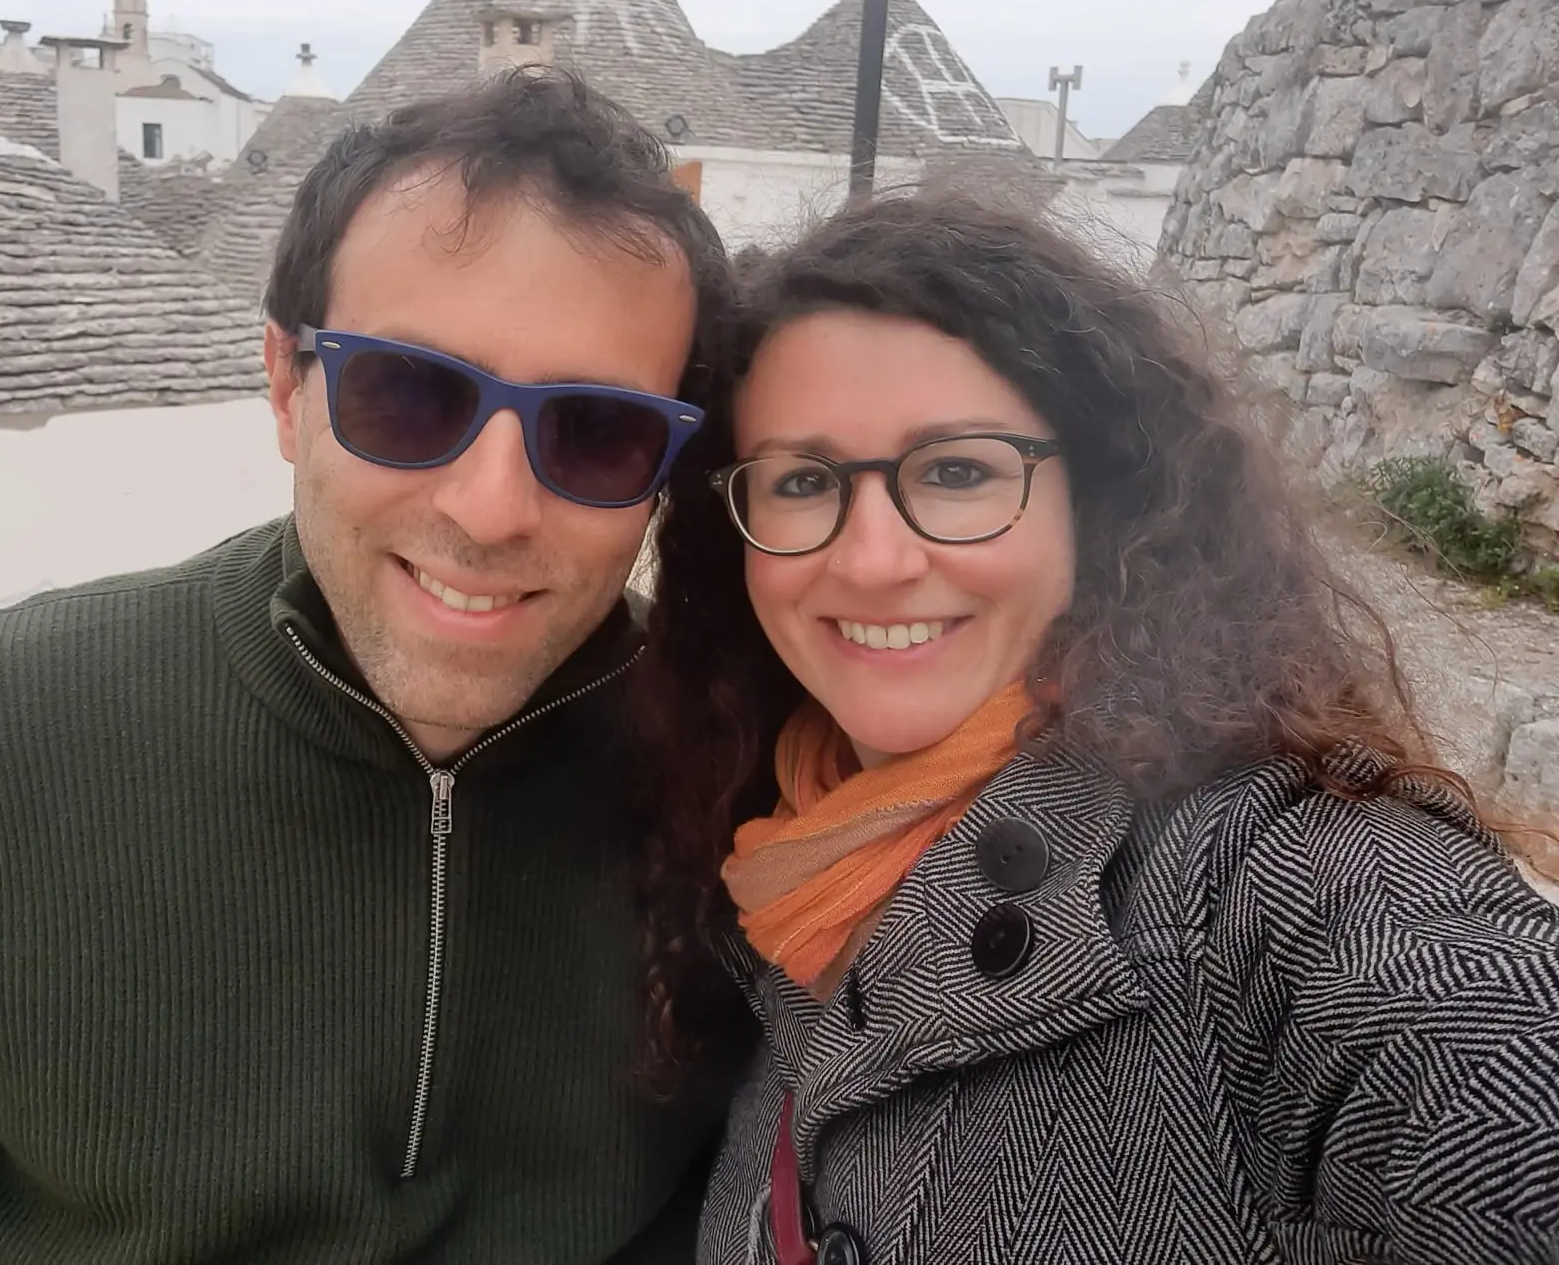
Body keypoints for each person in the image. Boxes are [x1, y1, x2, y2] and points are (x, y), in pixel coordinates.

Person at [0, 69, 743, 1263]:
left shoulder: (736, 783)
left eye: (597, 428)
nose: (491, 510)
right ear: (286, 387)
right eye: (407, 394)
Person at [637, 191, 1559, 1265]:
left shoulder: (1277, 893)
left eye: (955, 472)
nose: (871, 560)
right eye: (802, 481)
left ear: (1094, 506)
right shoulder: (765, 853)